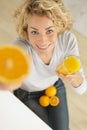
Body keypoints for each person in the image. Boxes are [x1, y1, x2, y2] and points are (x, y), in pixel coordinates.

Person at [11, 0, 87, 130]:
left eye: (49, 31)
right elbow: (5, 86)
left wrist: (75, 77)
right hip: (27, 94)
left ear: (59, 26)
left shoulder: (67, 40)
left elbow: (81, 89)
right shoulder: (21, 47)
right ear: (26, 30)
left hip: (54, 87)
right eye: (34, 32)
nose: (43, 40)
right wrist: (17, 75)